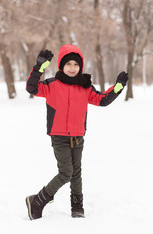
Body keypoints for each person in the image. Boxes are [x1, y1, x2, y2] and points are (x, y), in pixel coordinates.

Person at [25, 44, 128, 220]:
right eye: (68, 64)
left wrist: (117, 88)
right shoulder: (51, 85)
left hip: (78, 136)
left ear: (80, 66)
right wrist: (38, 68)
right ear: (61, 66)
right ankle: (37, 201)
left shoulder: (85, 87)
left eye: (76, 64)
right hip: (59, 137)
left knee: (76, 172)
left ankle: (77, 206)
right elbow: (31, 88)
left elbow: (102, 100)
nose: (72, 68)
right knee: (66, 172)